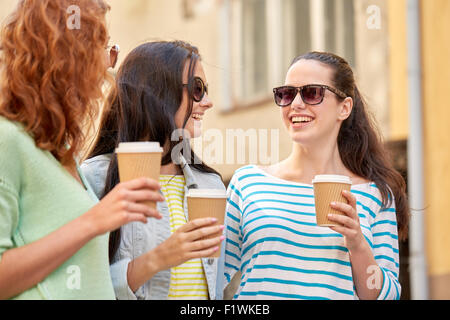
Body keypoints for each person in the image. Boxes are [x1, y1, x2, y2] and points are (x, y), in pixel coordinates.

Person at [0, 0, 163, 300]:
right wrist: (93, 221)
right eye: (99, 49)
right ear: (63, 57)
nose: (105, 66)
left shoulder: (60, 150)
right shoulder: (7, 139)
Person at [222, 51, 409, 300]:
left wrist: (357, 243)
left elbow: (385, 296)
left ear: (344, 108)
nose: (296, 104)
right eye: (287, 94)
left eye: (312, 93)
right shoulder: (247, 183)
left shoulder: (375, 195)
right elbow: (211, 276)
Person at [81, 40, 226, 300]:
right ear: (157, 94)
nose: (208, 102)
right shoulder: (94, 179)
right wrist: (159, 258)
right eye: (197, 89)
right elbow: (80, 283)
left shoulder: (210, 184)